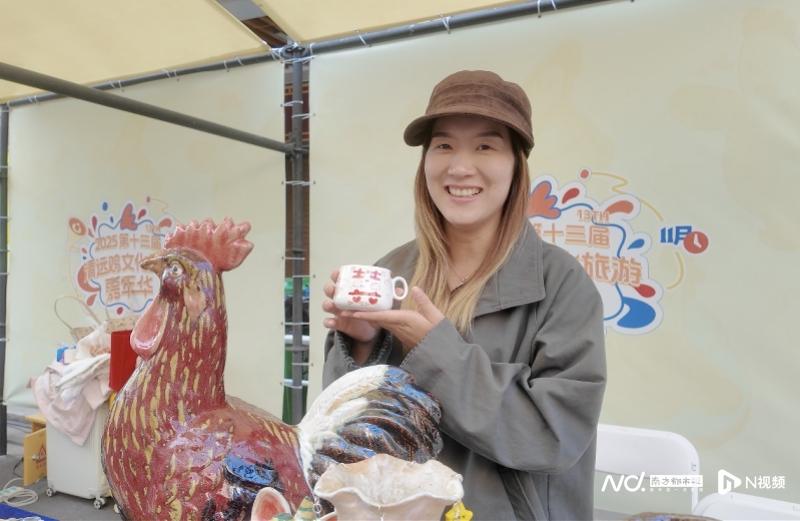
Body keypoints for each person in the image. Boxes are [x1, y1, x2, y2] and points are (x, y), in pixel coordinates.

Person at [321, 70, 606, 521]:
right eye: (444, 145)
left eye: (485, 147)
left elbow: (554, 436)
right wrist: (361, 344)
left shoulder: (562, 284)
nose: (459, 167)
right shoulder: (393, 270)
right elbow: (345, 429)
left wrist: (436, 353)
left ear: (516, 164)